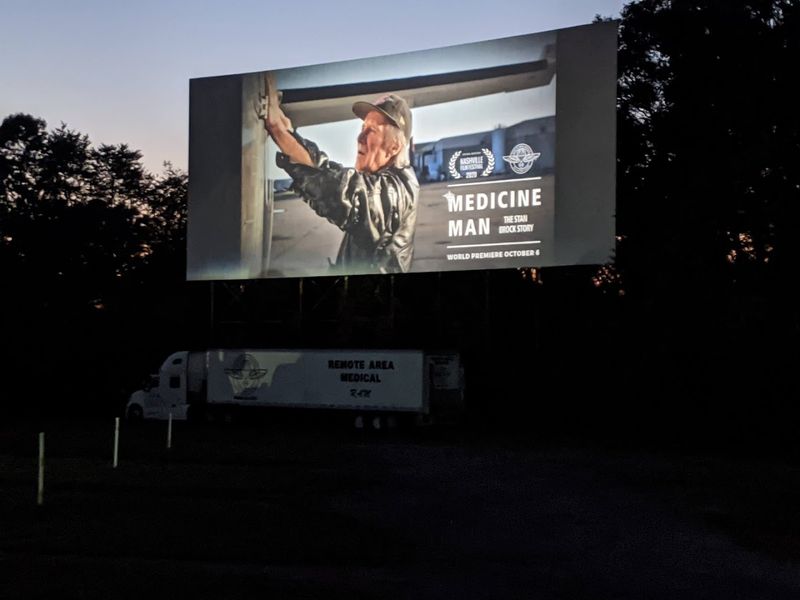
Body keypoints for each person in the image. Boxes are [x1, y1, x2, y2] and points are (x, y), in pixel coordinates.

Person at [264, 90, 419, 274]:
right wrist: (288, 132)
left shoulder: (398, 192)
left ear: (394, 147)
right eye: (363, 129)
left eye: (372, 131)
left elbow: (341, 191)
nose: (360, 138)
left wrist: (278, 130)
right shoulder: (393, 180)